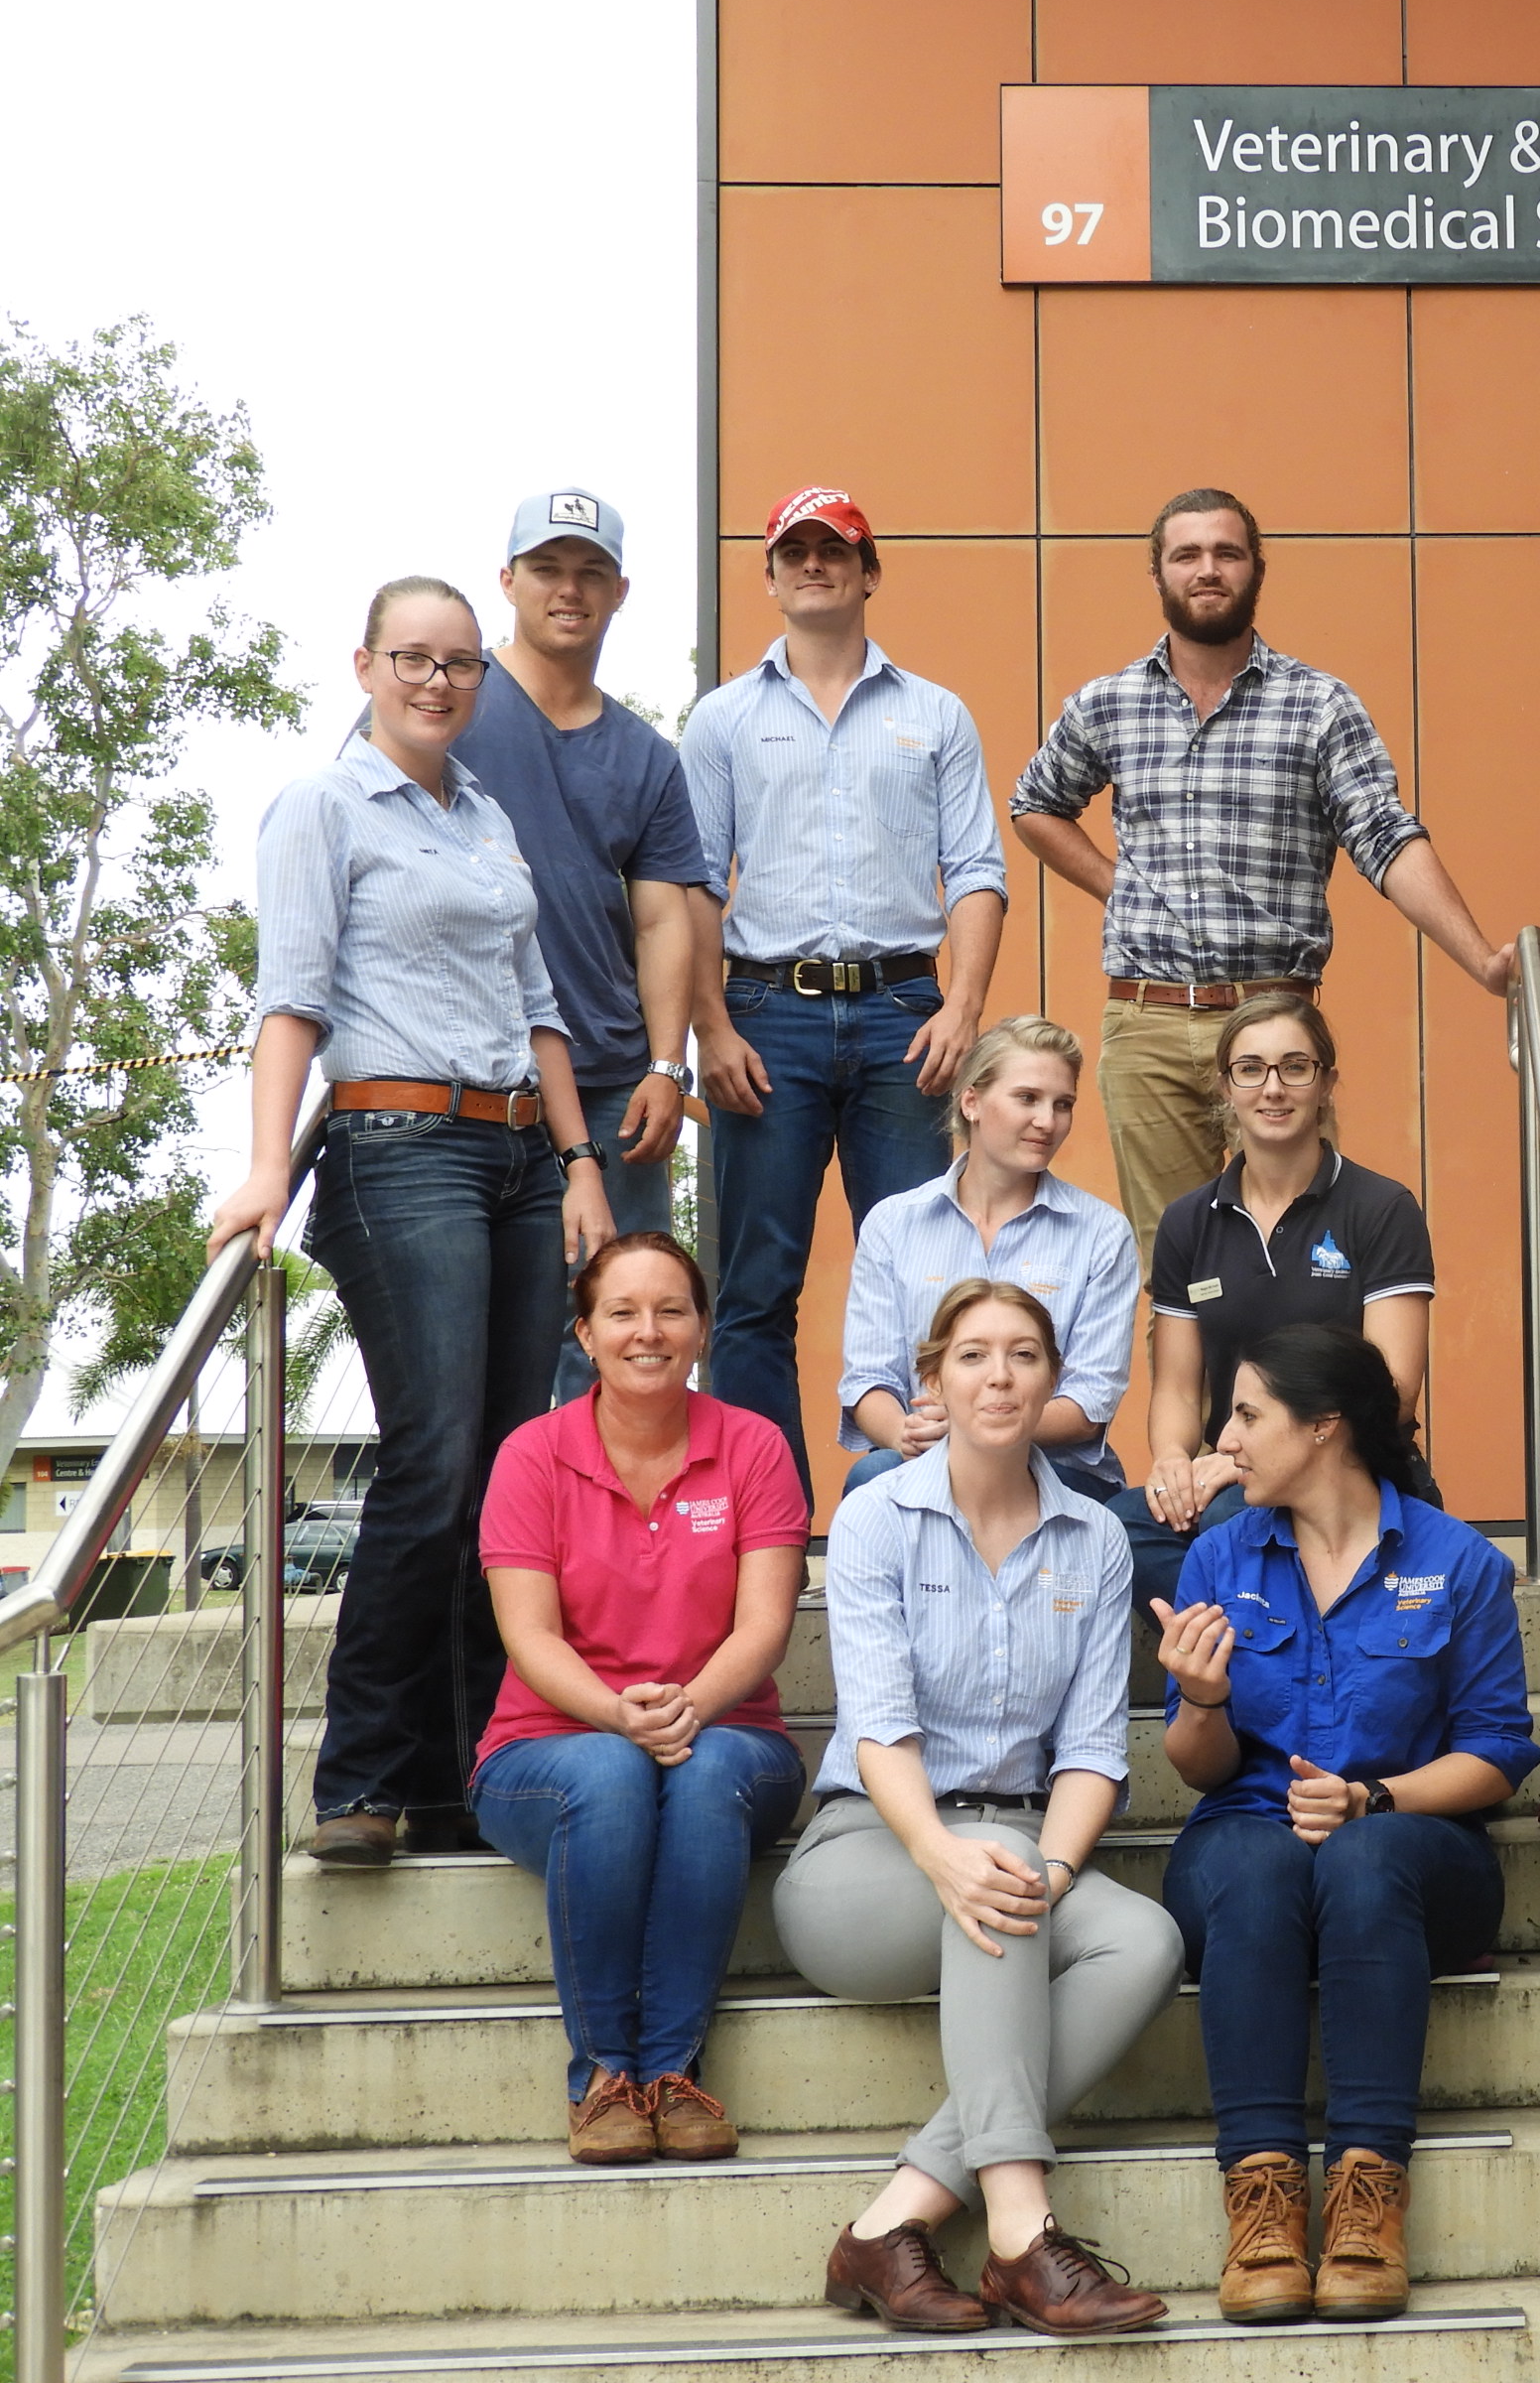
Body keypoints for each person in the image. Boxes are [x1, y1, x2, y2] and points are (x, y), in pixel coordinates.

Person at [211, 577, 616, 1868]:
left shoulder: (485, 814)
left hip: (520, 1162)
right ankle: (363, 1780)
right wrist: (268, 1163)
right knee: (434, 1460)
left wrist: (581, 1164)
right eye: (412, 660)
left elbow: (539, 1003)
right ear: (366, 665)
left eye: (458, 665)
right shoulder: (323, 806)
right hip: (399, 1153)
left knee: (509, 1479)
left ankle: (469, 1774)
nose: (437, 682)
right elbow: (292, 998)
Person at [775, 1278, 1183, 2339]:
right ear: (933, 1379)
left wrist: (1049, 1869)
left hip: (1021, 1837)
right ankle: (1018, 2232)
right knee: (994, 1882)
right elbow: (879, 1729)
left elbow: (1094, 1752)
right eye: (971, 1356)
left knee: (1142, 1940)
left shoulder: (1094, 1538)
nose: (998, 1376)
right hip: (868, 1852)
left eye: (1022, 1356)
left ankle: (894, 2222)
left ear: (1053, 1380)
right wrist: (945, 1854)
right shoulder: (874, 1517)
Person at [1152, 1324, 1540, 2323]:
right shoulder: (1219, 1555)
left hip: (1418, 1850)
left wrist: (1378, 1797)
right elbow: (1198, 1768)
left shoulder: (1458, 1562)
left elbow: (1497, 1751)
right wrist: (1200, 1701)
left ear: (1324, 1427)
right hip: (1249, 1834)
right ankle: (1265, 2201)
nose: (1225, 1441)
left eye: (1247, 1416)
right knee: (1258, 1865)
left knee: (1363, 1864)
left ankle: (1370, 2201)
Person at [1009, 487, 1515, 1250]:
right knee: (1175, 1271)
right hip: (1147, 1023)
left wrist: (1479, 959)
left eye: (1226, 553)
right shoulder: (1107, 703)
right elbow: (1035, 805)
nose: (1207, 570)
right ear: (1158, 575)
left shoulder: (1319, 705)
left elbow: (1384, 835)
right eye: (1187, 555)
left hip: (1273, 1023)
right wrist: (1120, 885)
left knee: (1290, 1259)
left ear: (1256, 570)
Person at [682, 485, 1008, 1487]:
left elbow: (980, 873)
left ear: (870, 572)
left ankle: (915, 1498)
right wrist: (709, 1027)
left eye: (837, 548)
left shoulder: (935, 714)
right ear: (772, 576)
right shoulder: (723, 718)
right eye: (795, 551)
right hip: (763, 1018)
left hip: (905, 1018)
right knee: (754, 1286)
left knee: (924, 1274)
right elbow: (691, 885)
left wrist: (962, 1007)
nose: (815, 563)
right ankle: (759, 1522)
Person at [472, 1233, 807, 2164]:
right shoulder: (532, 1456)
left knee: (699, 1773)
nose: (647, 1331)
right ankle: (605, 2078)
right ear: (585, 1331)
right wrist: (621, 1715)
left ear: (702, 1329)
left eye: (671, 1310)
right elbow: (530, 1636)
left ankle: (671, 2072)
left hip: (733, 1733)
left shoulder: (754, 1446)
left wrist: (688, 1706)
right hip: (545, 1750)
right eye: (622, 1312)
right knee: (615, 1773)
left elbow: (765, 1628)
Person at [459, 489, 706, 1405]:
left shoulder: (646, 756)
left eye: (590, 572)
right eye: (549, 569)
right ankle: (484, 1548)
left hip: (608, 1080)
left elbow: (662, 920)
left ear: (620, 590)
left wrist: (667, 1066)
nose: (570, 589)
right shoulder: (447, 704)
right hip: (466, 1077)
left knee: (609, 1327)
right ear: (508, 580)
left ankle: (602, 1544)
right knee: (475, 1339)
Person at [1113, 997, 1438, 1609]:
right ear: (1224, 1085)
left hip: (1354, 1466)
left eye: (1295, 1067)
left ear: (1327, 1083)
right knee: (1122, 1527)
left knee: (1235, 1524)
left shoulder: (1380, 1207)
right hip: (1241, 1470)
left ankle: (1260, 1668)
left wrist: (1239, 1466)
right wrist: (1173, 1463)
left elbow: (1392, 1391)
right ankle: (1253, 1665)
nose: (1273, 1088)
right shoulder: (1188, 1222)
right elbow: (1178, 1389)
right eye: (1250, 1068)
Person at [838, 1017, 1135, 1504]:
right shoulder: (893, 1224)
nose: (1048, 1121)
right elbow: (868, 1380)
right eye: (1027, 1098)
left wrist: (977, 1427)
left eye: (1063, 1104)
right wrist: (901, 1433)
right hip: (923, 1454)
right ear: (971, 1101)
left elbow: (1090, 1404)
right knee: (874, 1476)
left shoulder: (1101, 1232)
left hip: (1056, 1468)